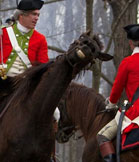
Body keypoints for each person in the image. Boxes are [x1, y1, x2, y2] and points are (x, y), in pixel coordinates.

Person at [97, 24, 139, 162]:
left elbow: (117, 89)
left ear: (131, 43)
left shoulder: (128, 62)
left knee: (102, 136)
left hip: (136, 113)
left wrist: (112, 103)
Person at [0, 0, 49, 78]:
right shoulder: (3, 33)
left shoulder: (41, 39)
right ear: (21, 15)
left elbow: (43, 66)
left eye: (38, 15)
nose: (37, 18)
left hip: (26, 84)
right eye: (34, 14)